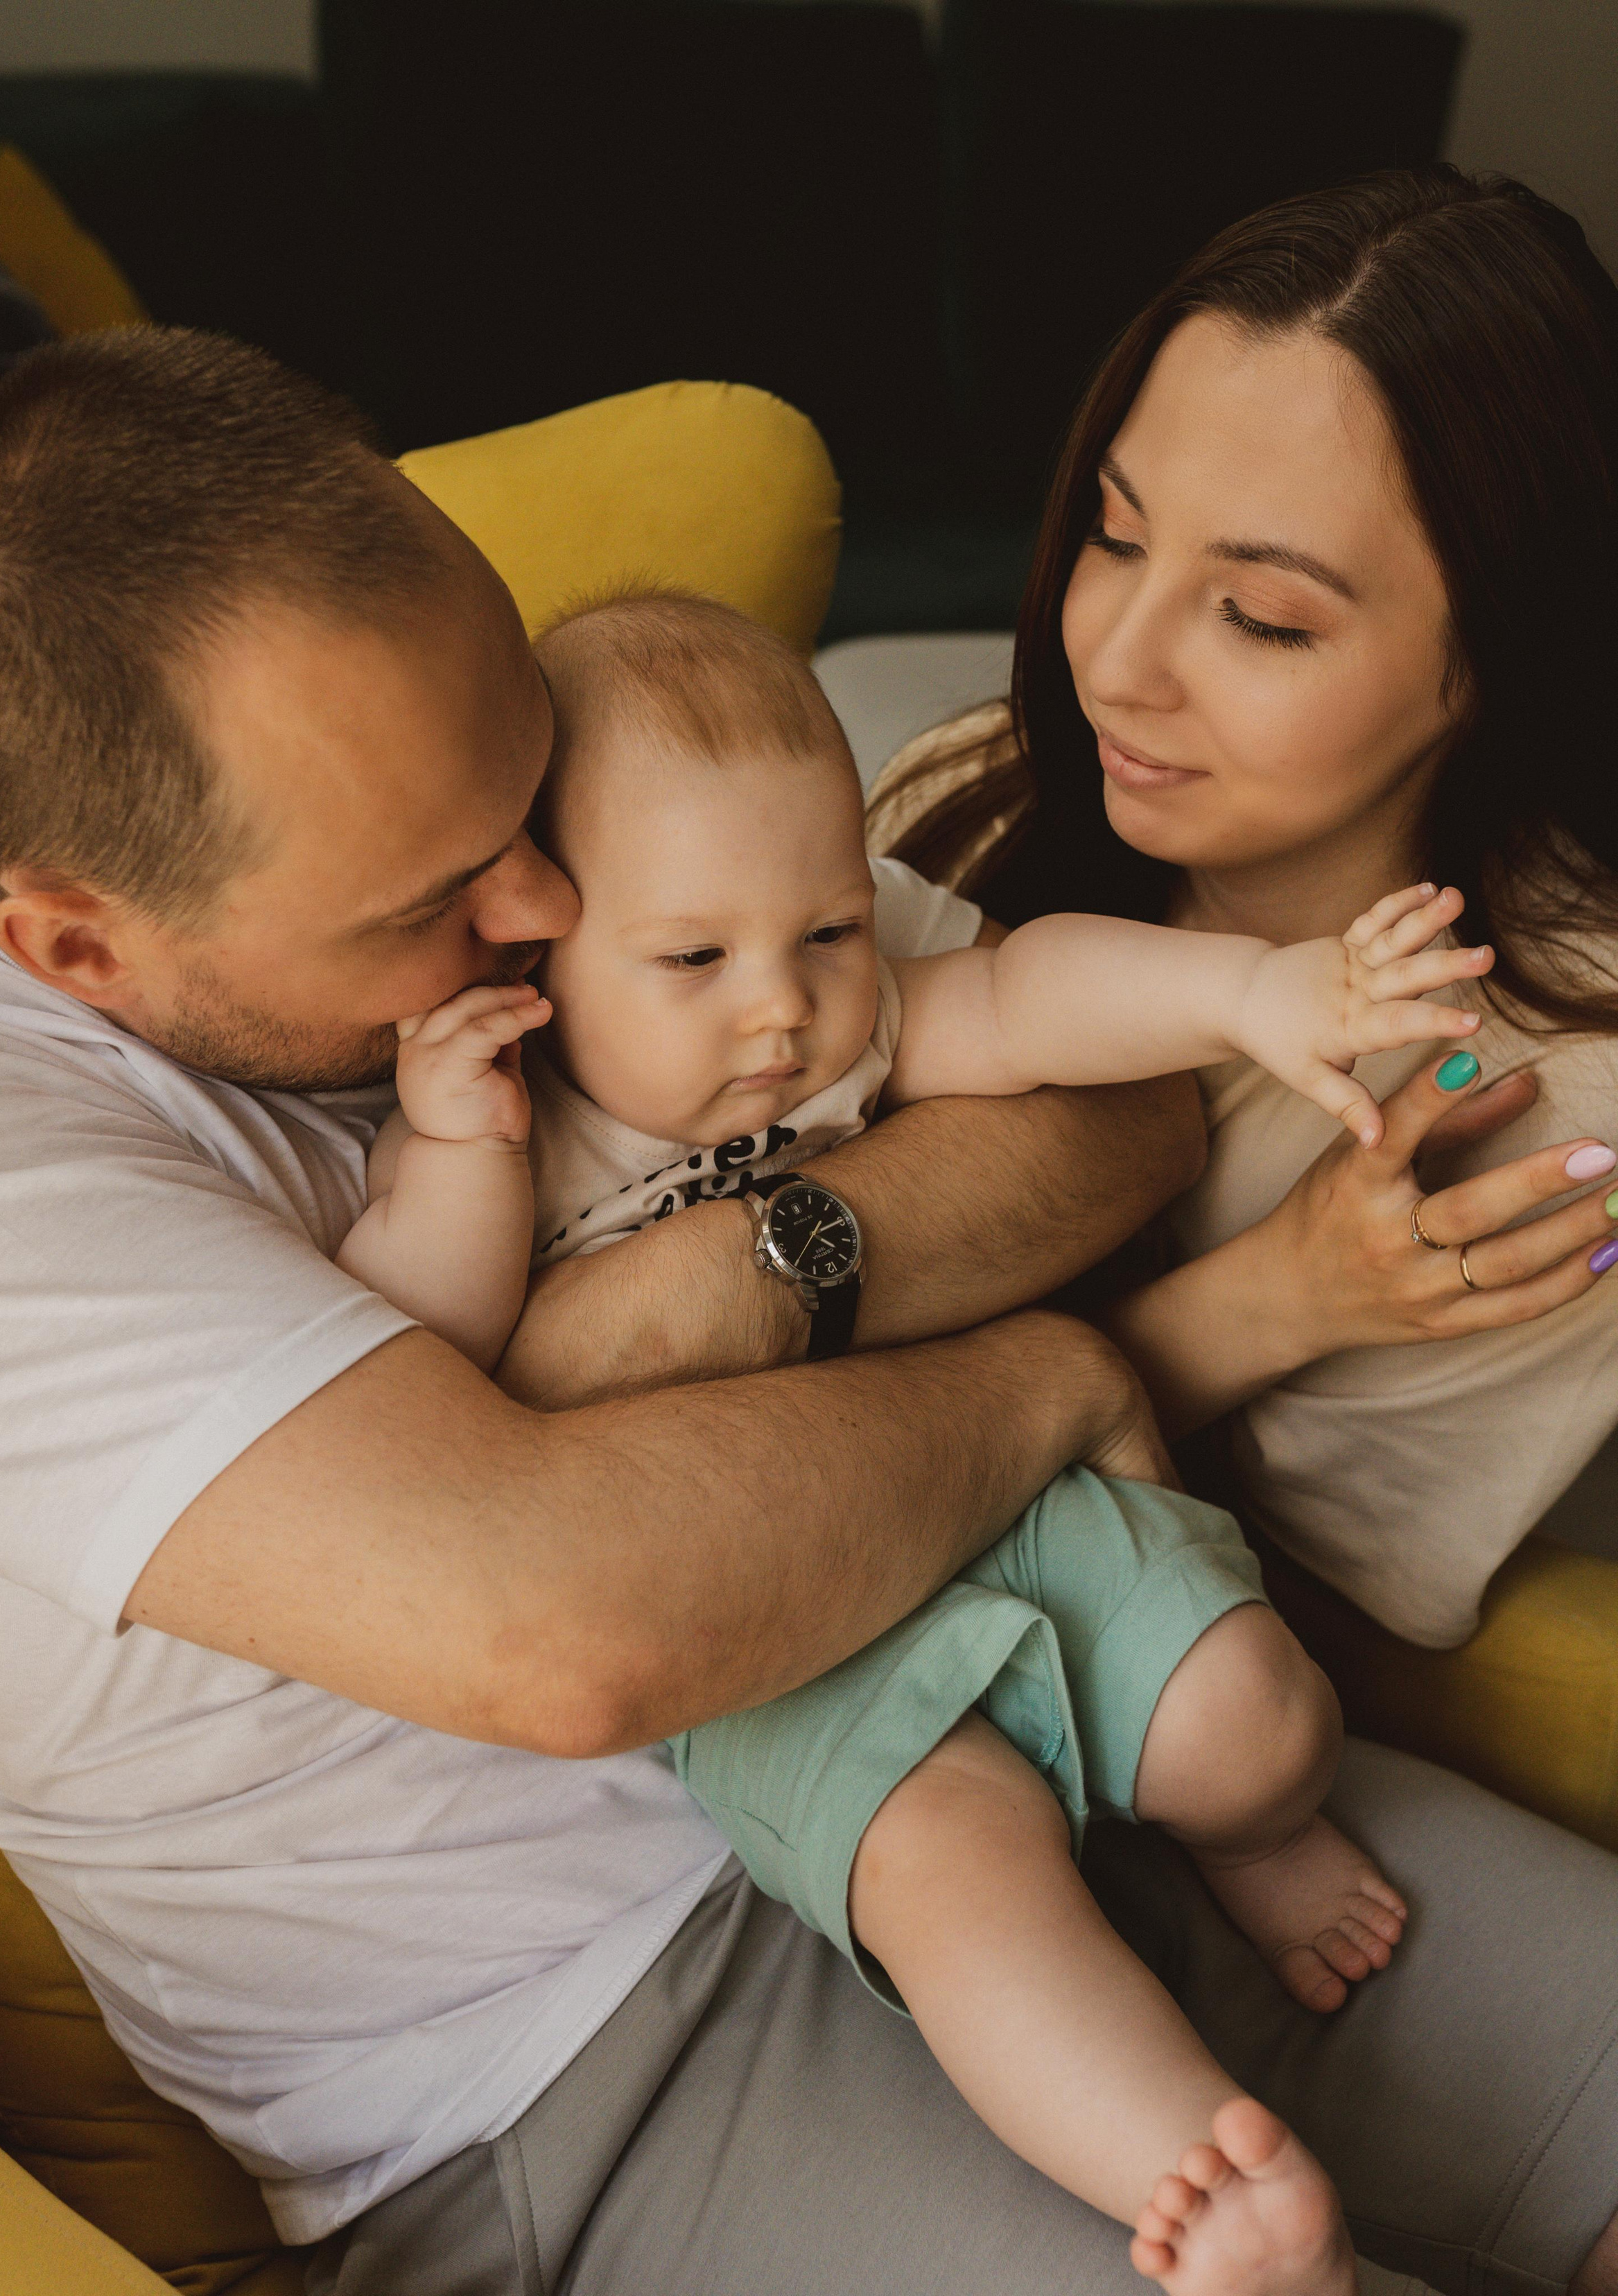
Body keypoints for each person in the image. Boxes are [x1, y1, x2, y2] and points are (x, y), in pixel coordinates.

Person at [0, 322, 1615, 2296]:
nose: (541, 903)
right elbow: (570, 1632)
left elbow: (1105, 1112)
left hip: (1038, 1687)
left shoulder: (551, 767)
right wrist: (1046, 1376)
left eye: (524, 789)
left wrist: (739, 1280)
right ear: (75, 935)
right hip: (590, 2043)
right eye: (435, 894)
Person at [343, 586, 1496, 2283]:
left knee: (1251, 1730)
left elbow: (1030, 998)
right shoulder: (516, 1124)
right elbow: (434, 1368)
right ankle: (1199, 2185)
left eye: (822, 931)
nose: (781, 1013)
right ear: (534, 953)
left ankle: (1245, 1840)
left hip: (980, 1478)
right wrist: (450, 1145)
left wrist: (1259, 993)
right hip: (762, 1629)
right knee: (959, 1877)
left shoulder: (844, 1022)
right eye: (693, 960)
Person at [874, 164, 1618, 1660]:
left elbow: (1274, 1626)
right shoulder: (981, 788)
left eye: (1262, 617)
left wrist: (1265, 1307)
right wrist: (1265, 1299)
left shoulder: (1551, 1106)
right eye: (1112, 533)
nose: (1114, 665)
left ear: (1497, 653)